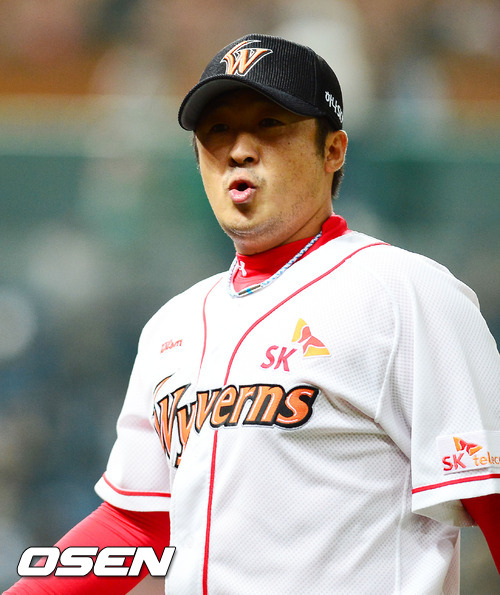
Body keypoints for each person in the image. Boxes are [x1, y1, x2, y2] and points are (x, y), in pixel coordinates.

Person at [7, 33, 500, 595]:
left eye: (270, 124)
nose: (239, 150)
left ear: (333, 150)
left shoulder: (406, 293)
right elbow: (136, 524)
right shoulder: (172, 326)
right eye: (217, 130)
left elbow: (491, 495)